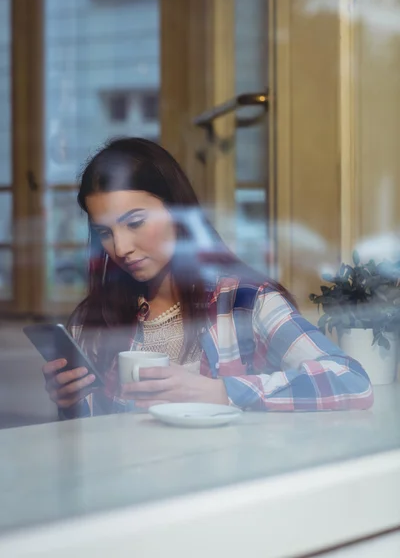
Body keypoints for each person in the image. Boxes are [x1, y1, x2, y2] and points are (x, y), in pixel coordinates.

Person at [42, 137, 373, 418]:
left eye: (135, 222)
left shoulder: (245, 302)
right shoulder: (93, 321)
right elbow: (92, 449)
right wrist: (70, 404)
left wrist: (220, 392)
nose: (121, 247)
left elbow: (351, 380)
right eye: (104, 232)